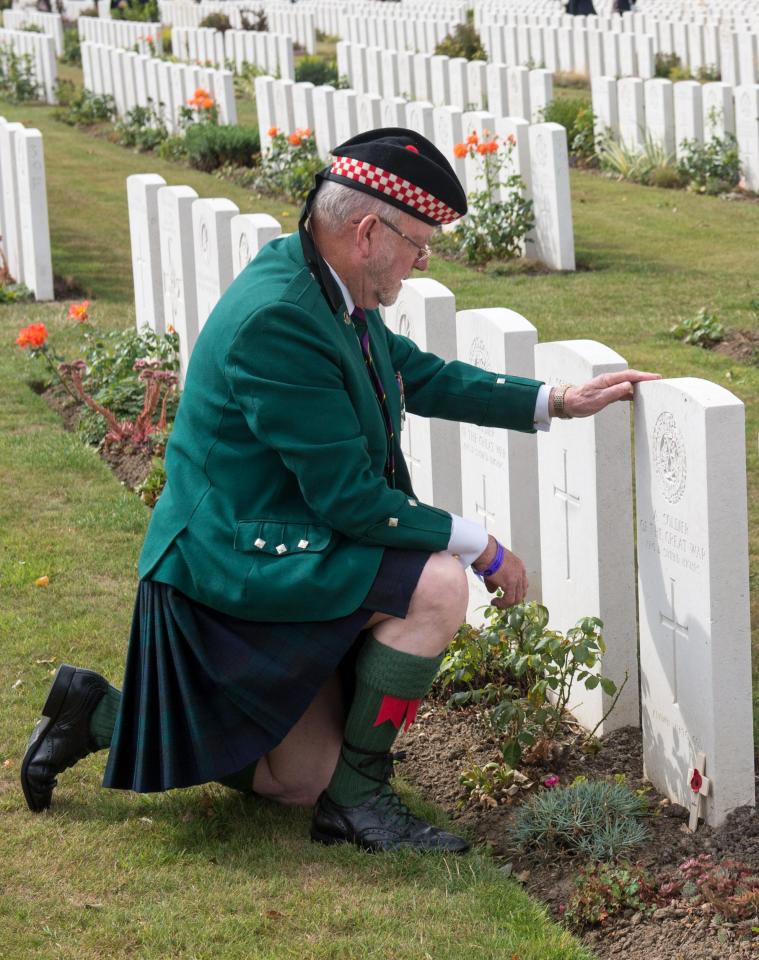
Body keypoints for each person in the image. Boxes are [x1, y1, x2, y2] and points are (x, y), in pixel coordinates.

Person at [21, 128, 658, 852]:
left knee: (296, 780)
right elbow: (351, 502)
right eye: (418, 242)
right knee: (439, 584)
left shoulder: (322, 284)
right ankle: (360, 804)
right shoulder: (281, 319)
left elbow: (411, 372)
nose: (422, 260)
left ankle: (96, 713)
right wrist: (480, 546)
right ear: (366, 232)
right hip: (230, 567)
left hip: (280, 540)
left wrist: (555, 399)